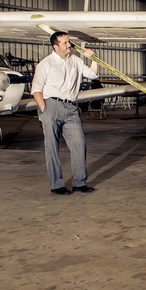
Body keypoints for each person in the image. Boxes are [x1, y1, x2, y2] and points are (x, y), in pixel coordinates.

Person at [31, 32, 99, 196]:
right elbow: (36, 89)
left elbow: (93, 74)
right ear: (56, 46)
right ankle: (57, 185)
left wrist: (93, 58)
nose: (69, 45)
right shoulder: (45, 64)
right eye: (65, 43)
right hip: (51, 106)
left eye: (69, 42)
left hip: (71, 108)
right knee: (52, 147)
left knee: (79, 143)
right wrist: (45, 111)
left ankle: (79, 183)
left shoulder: (75, 60)